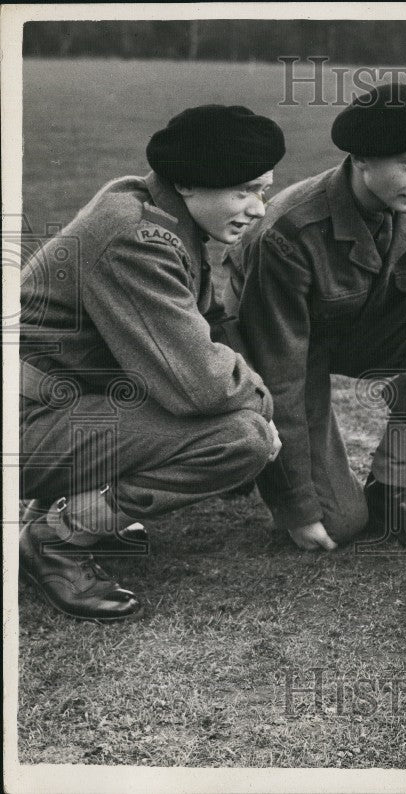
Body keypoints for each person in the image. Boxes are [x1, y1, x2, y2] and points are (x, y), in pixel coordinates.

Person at [20, 105, 286, 622]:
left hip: (53, 403)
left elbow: (205, 333)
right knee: (240, 438)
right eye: (244, 190)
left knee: (226, 418)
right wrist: (264, 407)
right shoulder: (136, 236)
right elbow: (201, 386)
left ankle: (57, 509)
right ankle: (55, 541)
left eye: (263, 190)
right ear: (188, 183)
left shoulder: (153, 208)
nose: (258, 208)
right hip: (25, 420)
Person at [233, 82, 406, 552]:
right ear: (362, 160)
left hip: (348, 326)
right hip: (275, 344)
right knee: (339, 524)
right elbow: (281, 376)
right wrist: (296, 507)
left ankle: (389, 491)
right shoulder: (290, 234)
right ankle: (240, 455)